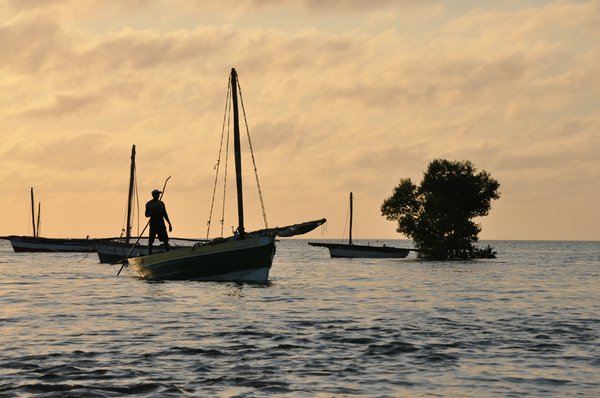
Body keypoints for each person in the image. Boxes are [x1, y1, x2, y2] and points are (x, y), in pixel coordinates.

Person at [145, 189, 173, 254]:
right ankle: (150, 253)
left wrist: (169, 224)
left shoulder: (161, 204)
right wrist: (153, 212)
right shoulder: (149, 204)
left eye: (158, 194)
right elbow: (146, 214)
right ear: (153, 195)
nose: (158, 196)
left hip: (161, 223)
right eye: (157, 194)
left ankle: (167, 252)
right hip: (153, 224)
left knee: (165, 239)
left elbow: (165, 214)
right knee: (151, 240)